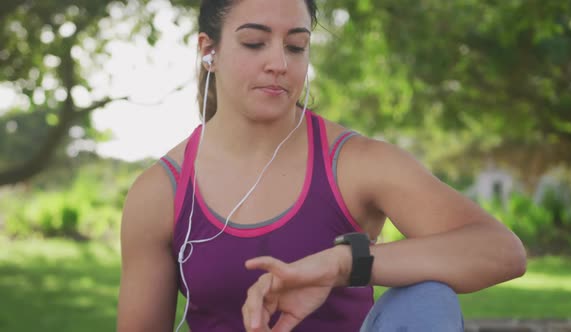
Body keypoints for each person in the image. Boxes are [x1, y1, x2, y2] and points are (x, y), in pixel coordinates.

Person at [116, 0, 527, 331]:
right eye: (255, 43)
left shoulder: (355, 163)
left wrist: (342, 264)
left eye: (295, 46)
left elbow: (501, 251)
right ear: (209, 51)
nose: (279, 62)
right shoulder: (160, 192)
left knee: (427, 297)